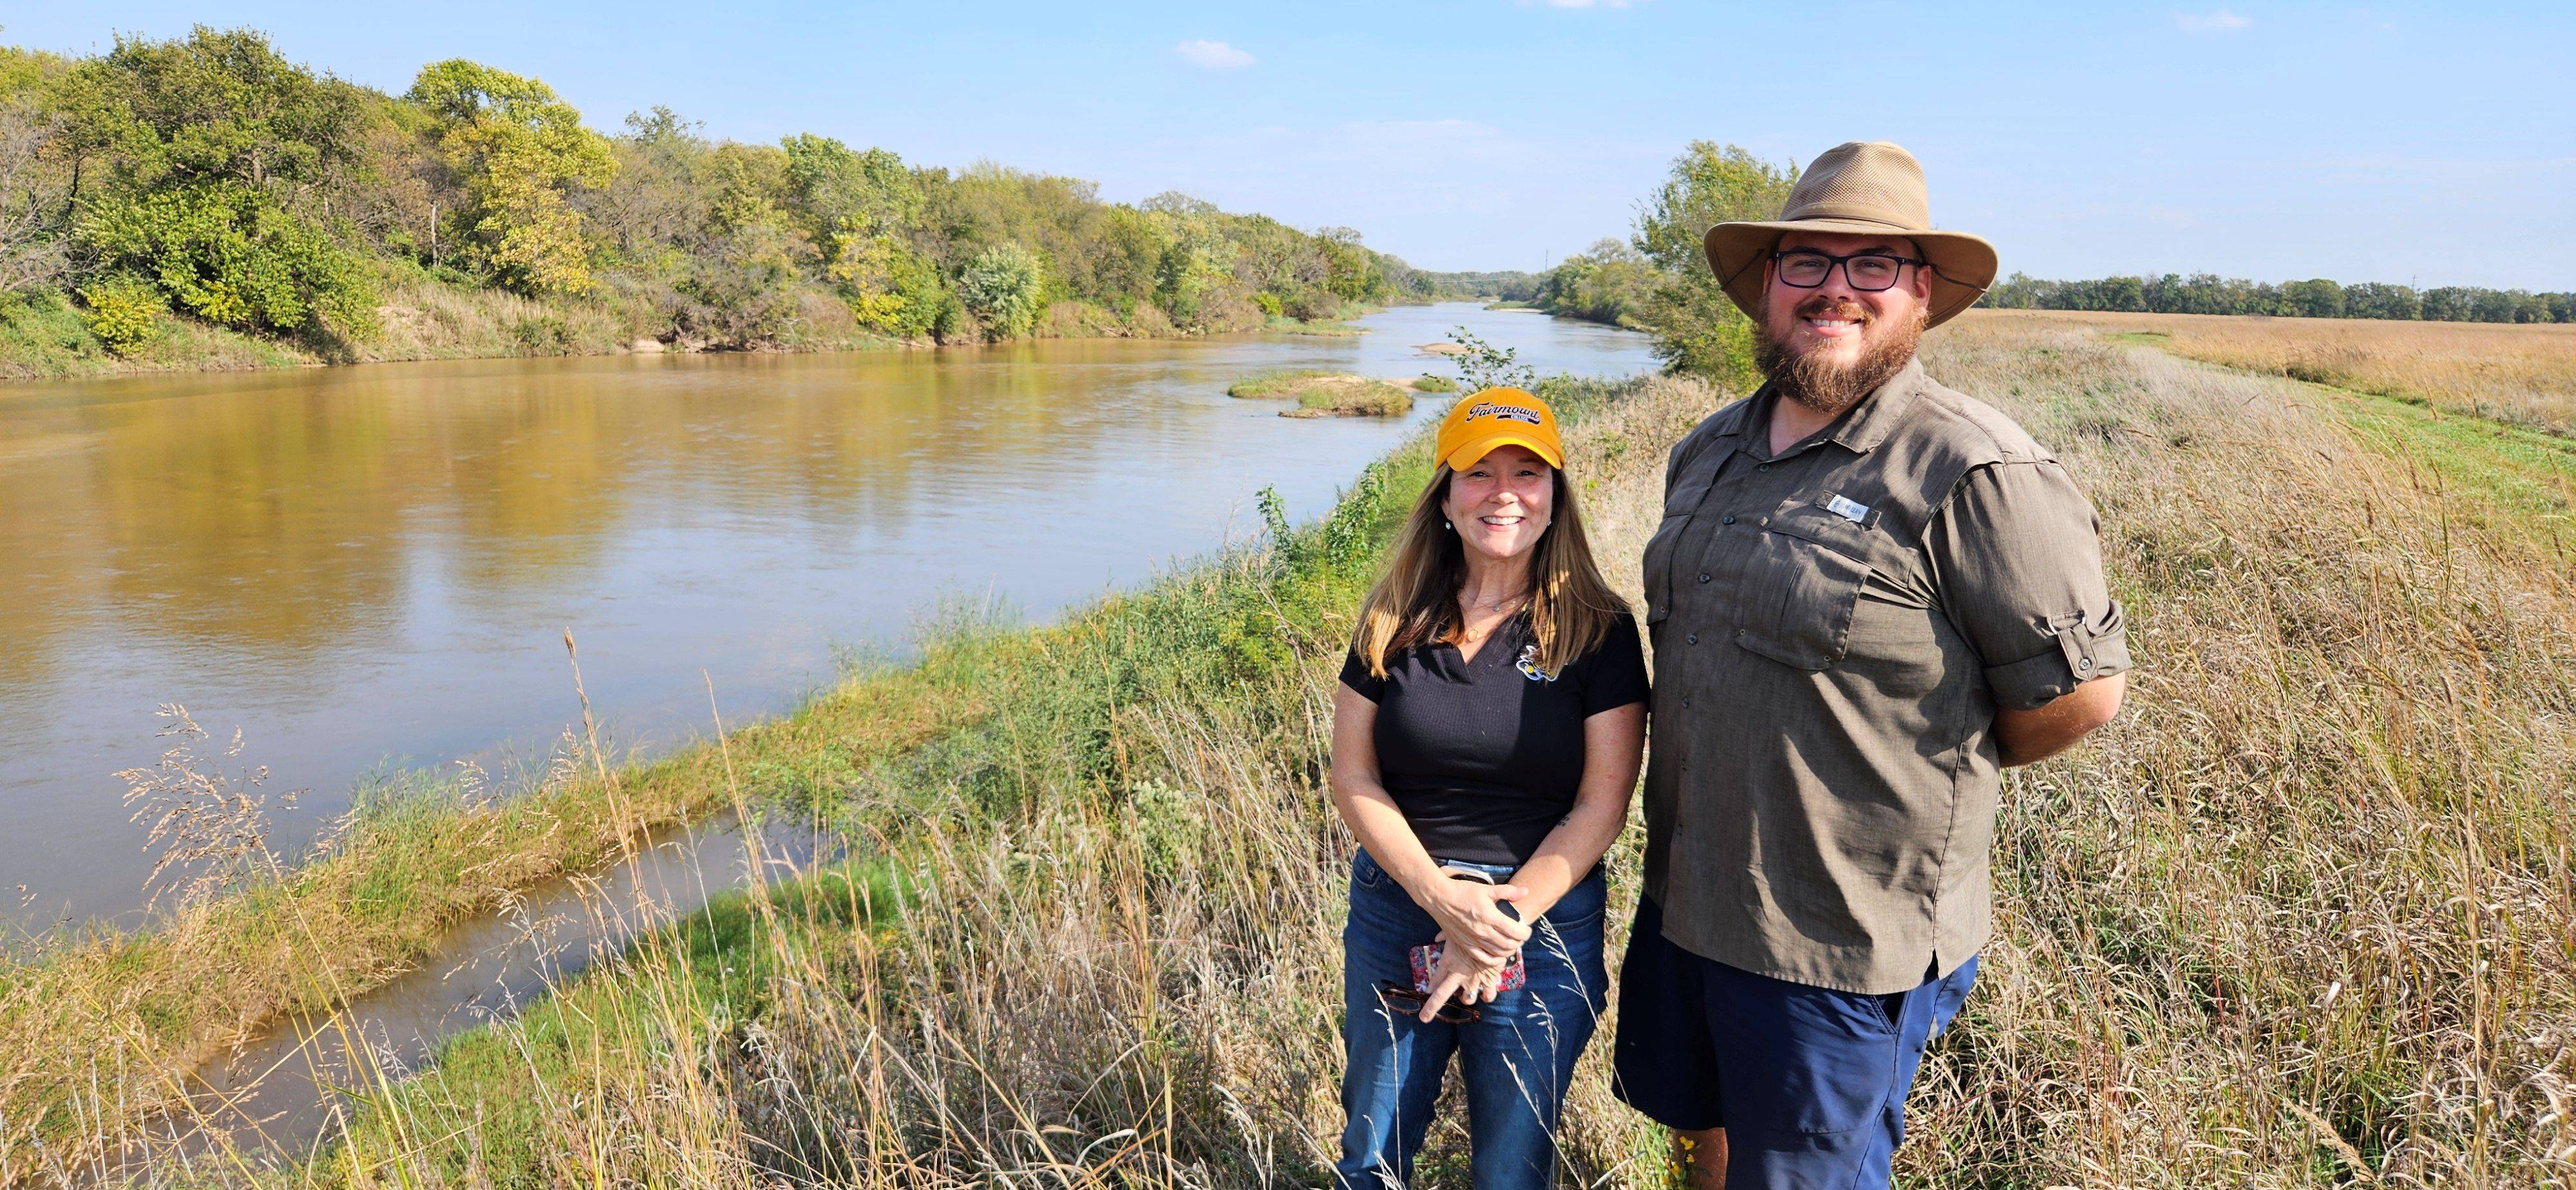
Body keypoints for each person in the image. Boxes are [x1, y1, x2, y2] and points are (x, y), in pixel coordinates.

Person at [1610, 140, 2131, 1187]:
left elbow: (2080, 695)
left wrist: (1927, 763)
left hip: (1839, 940)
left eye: (1872, 265)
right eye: (1806, 262)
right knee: (1699, 1138)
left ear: (1921, 293)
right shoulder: (1709, 447)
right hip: (1688, 896)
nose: (1834, 289)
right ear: (1767, 285)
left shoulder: (1977, 469)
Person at [1329, 386, 1650, 1189]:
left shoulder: (1598, 629)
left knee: (1511, 1170)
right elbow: (1354, 776)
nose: (1503, 493)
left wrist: (1496, 921)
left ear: (1554, 497)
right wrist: (1441, 901)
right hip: (1397, 907)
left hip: (1537, 930)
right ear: (1444, 493)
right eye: (1478, 473)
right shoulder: (1392, 618)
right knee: (1371, 1157)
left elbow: (1601, 804)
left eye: (1527, 473)